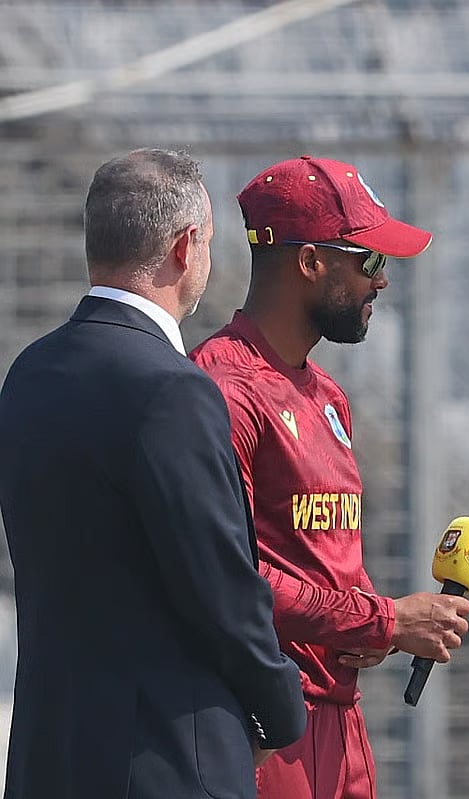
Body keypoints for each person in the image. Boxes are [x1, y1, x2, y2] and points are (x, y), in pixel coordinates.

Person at [0, 148, 307, 799]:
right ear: (185, 245)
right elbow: (221, 585)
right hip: (163, 759)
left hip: (48, 755)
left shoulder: (28, 373)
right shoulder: (173, 390)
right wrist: (281, 710)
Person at [190, 155, 469, 799]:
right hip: (263, 726)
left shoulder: (329, 398)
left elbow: (321, 553)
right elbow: (224, 577)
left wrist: (369, 622)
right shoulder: (220, 390)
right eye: (369, 261)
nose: (383, 282)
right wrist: (383, 623)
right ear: (311, 262)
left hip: (341, 724)